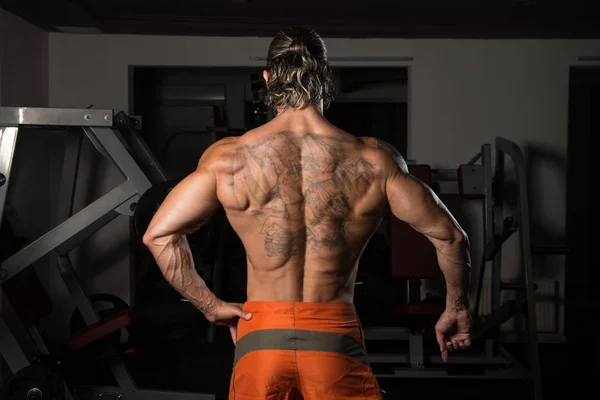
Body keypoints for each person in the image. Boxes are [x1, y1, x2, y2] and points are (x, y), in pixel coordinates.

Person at [143, 27, 472, 400]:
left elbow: (159, 235)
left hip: (260, 335)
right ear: (325, 78)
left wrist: (212, 307)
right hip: (333, 337)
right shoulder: (374, 159)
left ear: (267, 78)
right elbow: (451, 236)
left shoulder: (228, 158)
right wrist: (456, 307)